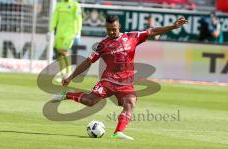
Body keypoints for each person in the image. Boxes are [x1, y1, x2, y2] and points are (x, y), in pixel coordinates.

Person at [52, 15, 187, 140]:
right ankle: (67, 95)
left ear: (119, 26)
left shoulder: (132, 37)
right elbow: (88, 61)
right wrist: (70, 76)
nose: (111, 32)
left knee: (130, 103)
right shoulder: (102, 45)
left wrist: (173, 26)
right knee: (90, 101)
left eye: (114, 29)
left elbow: (151, 32)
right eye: (108, 29)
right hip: (108, 80)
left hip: (126, 82)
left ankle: (118, 132)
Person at [49, 0, 82, 82]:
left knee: (64, 51)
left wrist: (78, 31)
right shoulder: (59, 5)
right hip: (60, 32)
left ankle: (68, 71)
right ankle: (63, 73)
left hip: (70, 33)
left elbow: (79, 19)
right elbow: (54, 17)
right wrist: (50, 29)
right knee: (59, 52)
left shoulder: (75, 5)